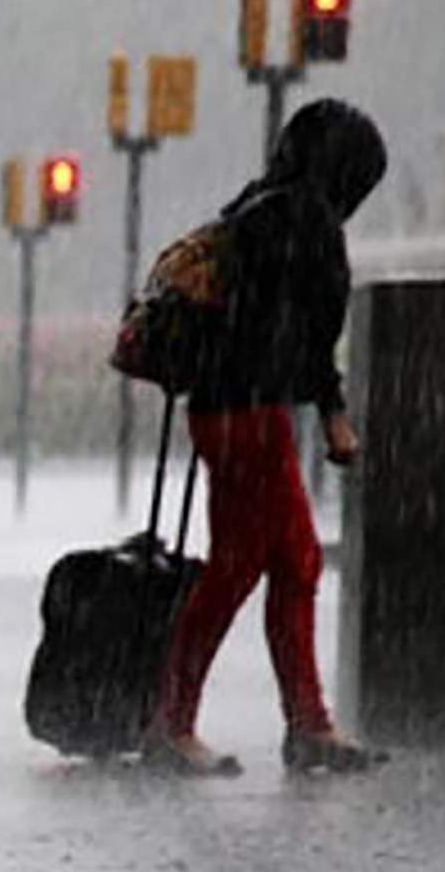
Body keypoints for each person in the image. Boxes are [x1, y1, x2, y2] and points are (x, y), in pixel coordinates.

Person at [149, 99, 388, 778]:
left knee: (296, 562)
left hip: (227, 411)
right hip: (250, 415)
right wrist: (335, 413)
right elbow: (307, 334)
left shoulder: (255, 205)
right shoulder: (307, 219)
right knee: (235, 571)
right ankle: (173, 722)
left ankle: (307, 723)